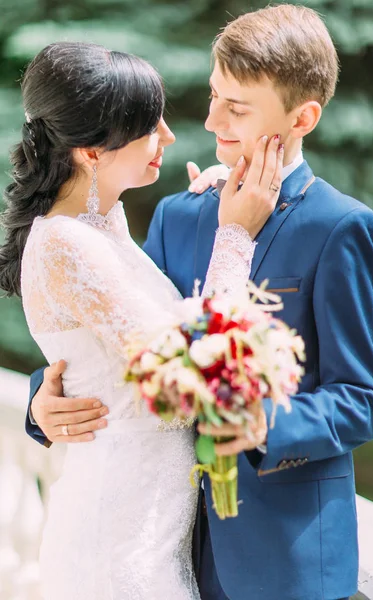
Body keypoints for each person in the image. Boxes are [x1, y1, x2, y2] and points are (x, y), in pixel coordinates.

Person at [21, 4, 373, 600]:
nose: (211, 117)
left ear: (303, 117)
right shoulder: (179, 214)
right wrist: (44, 398)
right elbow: (128, 336)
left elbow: (365, 399)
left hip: (284, 557)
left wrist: (260, 424)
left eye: (237, 108)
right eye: (215, 94)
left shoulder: (340, 227)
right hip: (168, 544)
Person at [0, 41, 283, 599]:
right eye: (148, 124)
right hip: (118, 527)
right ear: (91, 151)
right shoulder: (65, 243)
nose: (170, 135)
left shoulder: (107, 223)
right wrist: (234, 235)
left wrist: (205, 205)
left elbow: (120, 339)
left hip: (149, 517)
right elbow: (189, 371)